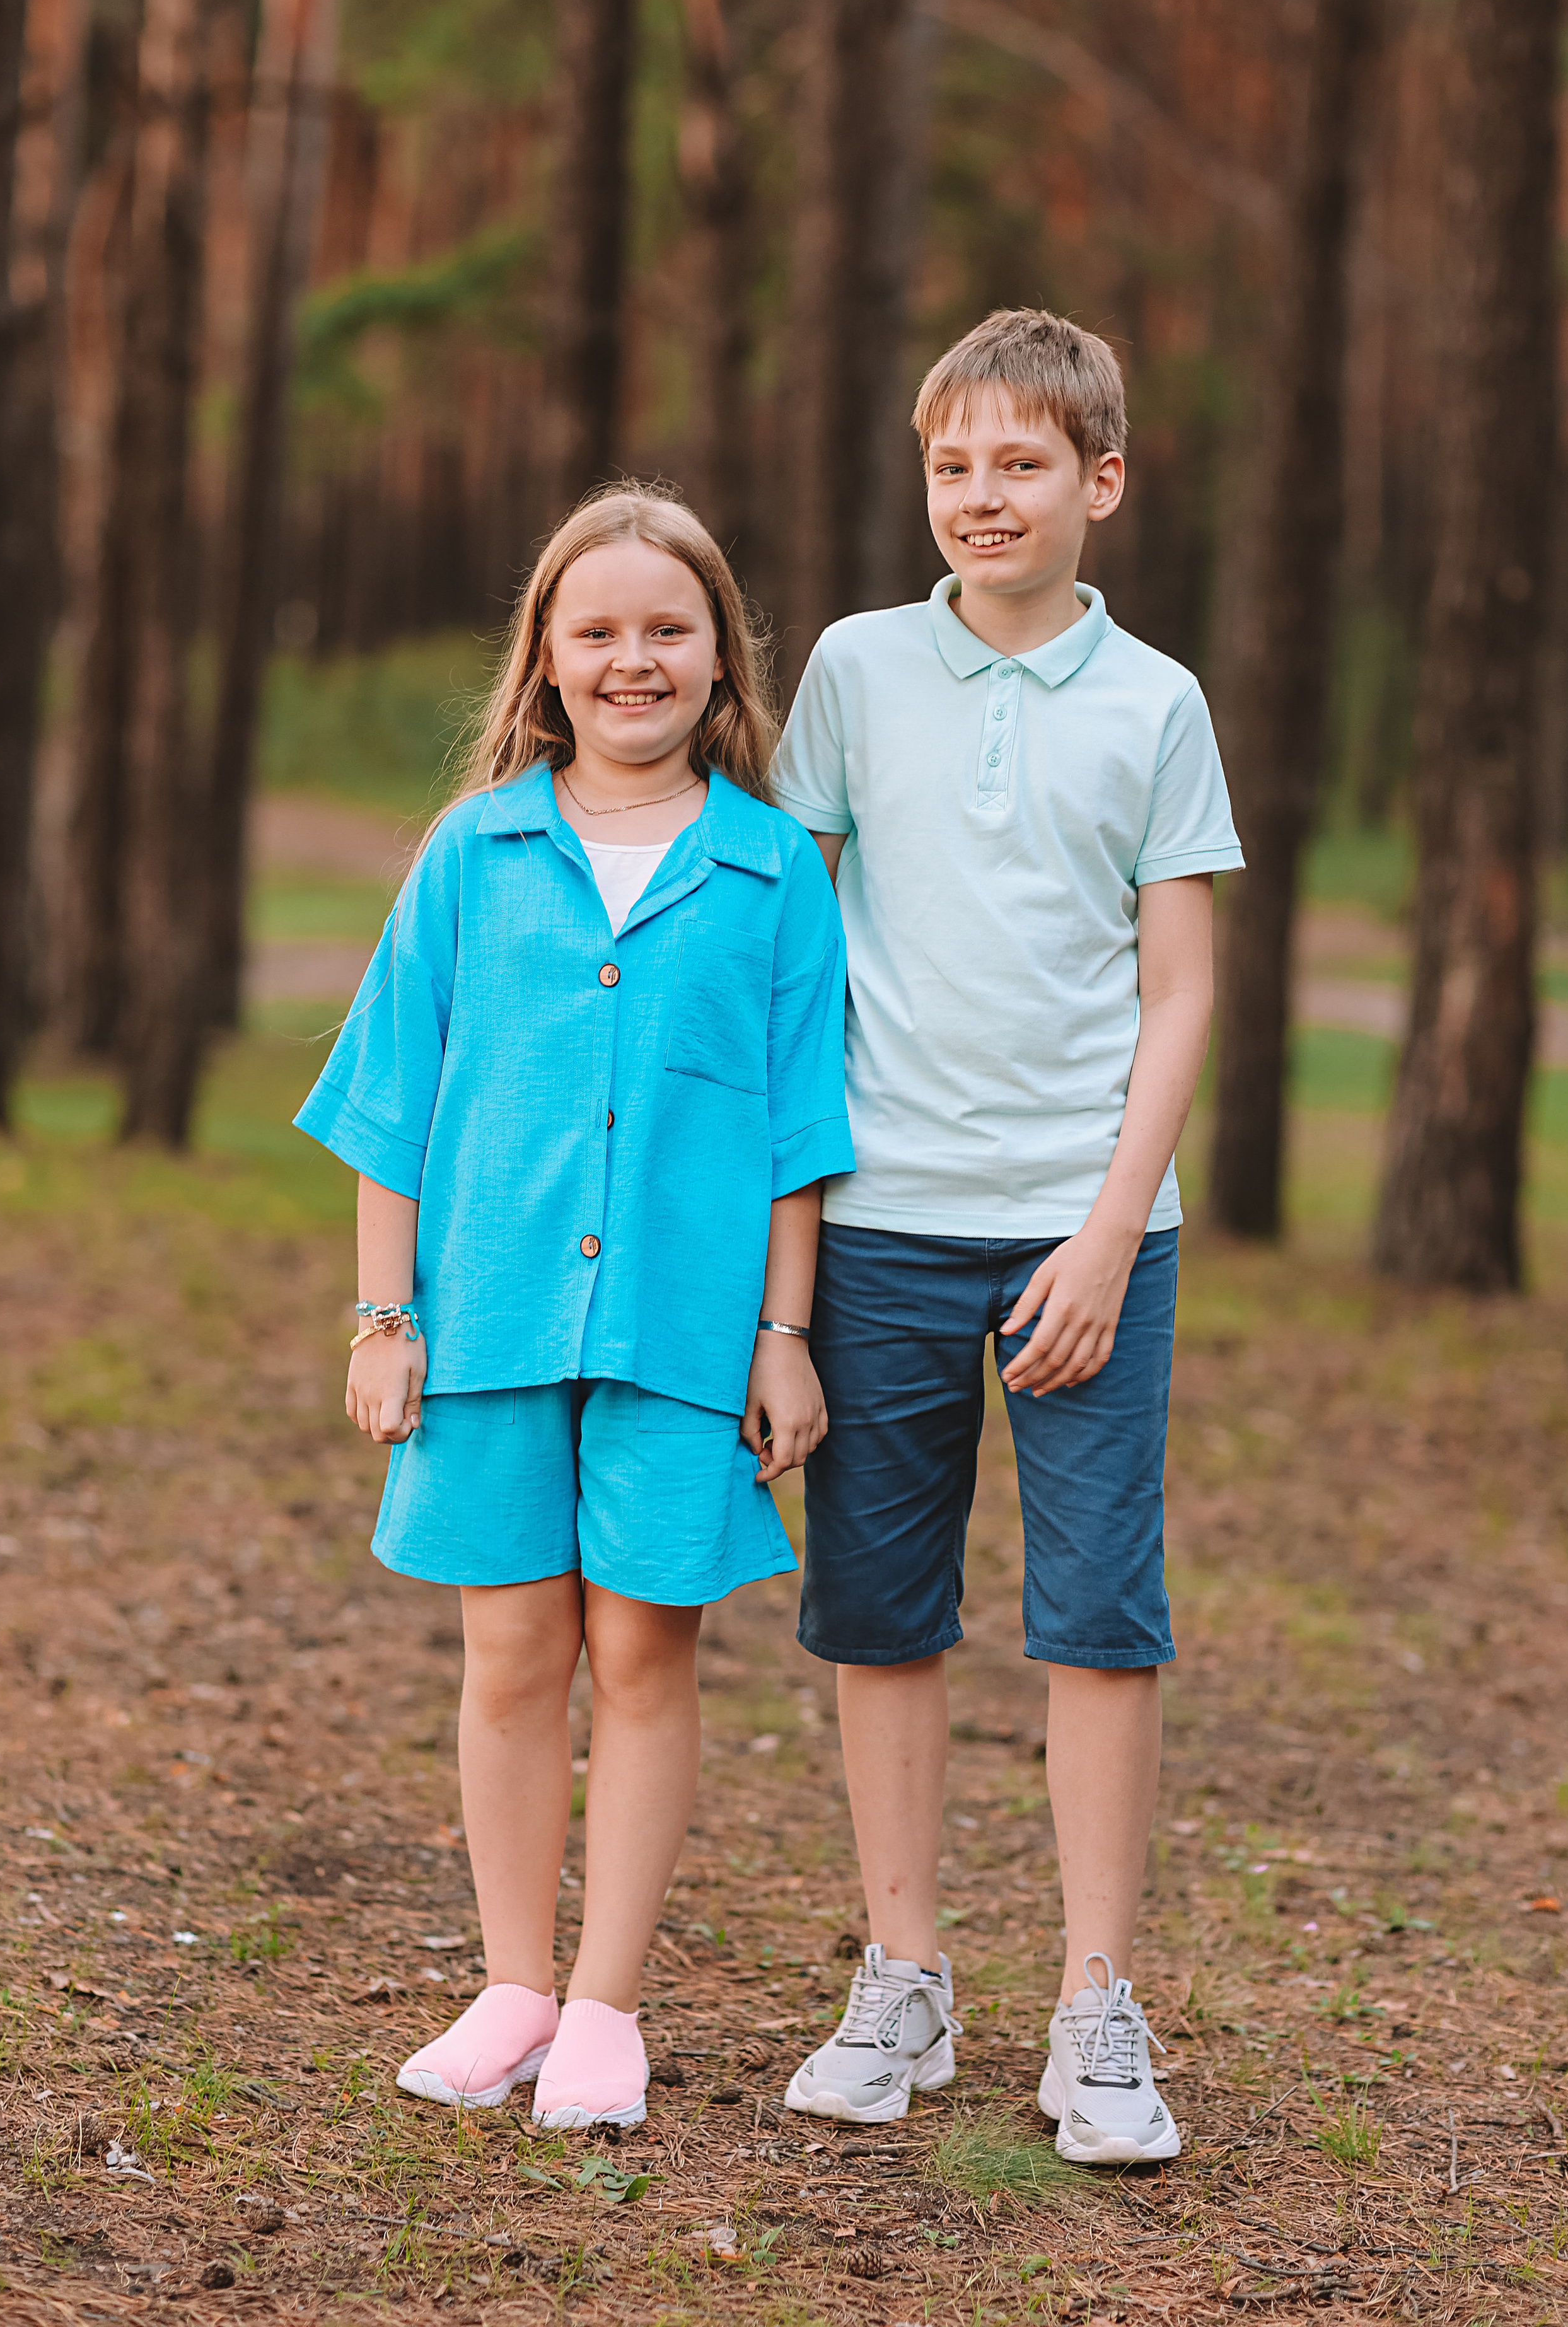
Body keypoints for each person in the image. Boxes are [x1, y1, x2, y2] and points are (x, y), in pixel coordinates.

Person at [295, 487, 852, 2132]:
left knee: (647, 1657)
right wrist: (384, 1318)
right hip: (491, 1323)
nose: (634, 660)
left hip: (687, 1337)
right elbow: (392, 1105)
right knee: (513, 1654)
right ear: (545, 658)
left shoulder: (773, 874)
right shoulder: (471, 854)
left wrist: (784, 1338)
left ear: (721, 656)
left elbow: (797, 1131)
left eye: (668, 629)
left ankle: (607, 2006)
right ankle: (514, 1988)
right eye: (597, 631)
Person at [772, 308, 1243, 2164]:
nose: (983, 494)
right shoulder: (855, 670)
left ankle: (1096, 2006)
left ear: (1100, 483)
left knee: (1100, 1615)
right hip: (884, 1219)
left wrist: (1112, 1232)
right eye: (953, 463)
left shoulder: (1159, 704)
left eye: (1022, 463)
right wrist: (782, 1269)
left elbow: (1181, 988)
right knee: (878, 1610)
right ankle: (904, 1975)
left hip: (1086, 1232)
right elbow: (795, 945)